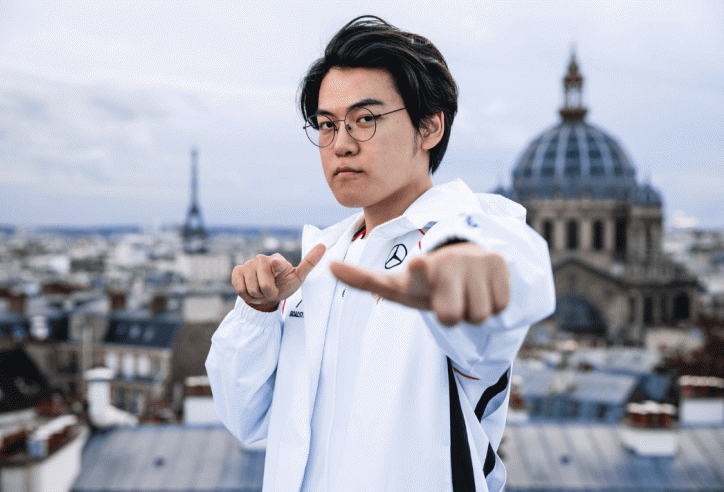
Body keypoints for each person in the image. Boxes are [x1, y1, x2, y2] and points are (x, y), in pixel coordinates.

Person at [206, 15, 554, 492]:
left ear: (429, 127)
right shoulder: (320, 265)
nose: (341, 145)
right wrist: (258, 313)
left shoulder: (463, 237)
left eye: (365, 120)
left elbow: (512, 275)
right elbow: (243, 417)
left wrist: (467, 270)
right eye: (327, 125)